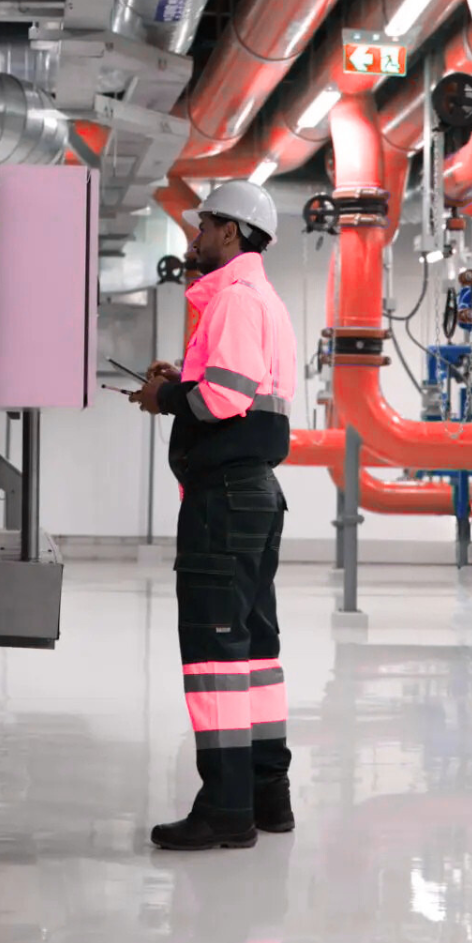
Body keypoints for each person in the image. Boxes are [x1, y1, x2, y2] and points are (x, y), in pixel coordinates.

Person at [128, 180, 297, 849]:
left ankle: (225, 810)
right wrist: (178, 384)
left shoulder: (231, 298)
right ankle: (267, 796)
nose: (194, 237)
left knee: (214, 655)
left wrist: (166, 397)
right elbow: (242, 388)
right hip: (257, 495)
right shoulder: (264, 301)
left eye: (203, 226)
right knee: (255, 652)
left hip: (224, 500)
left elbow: (224, 398)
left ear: (230, 233)